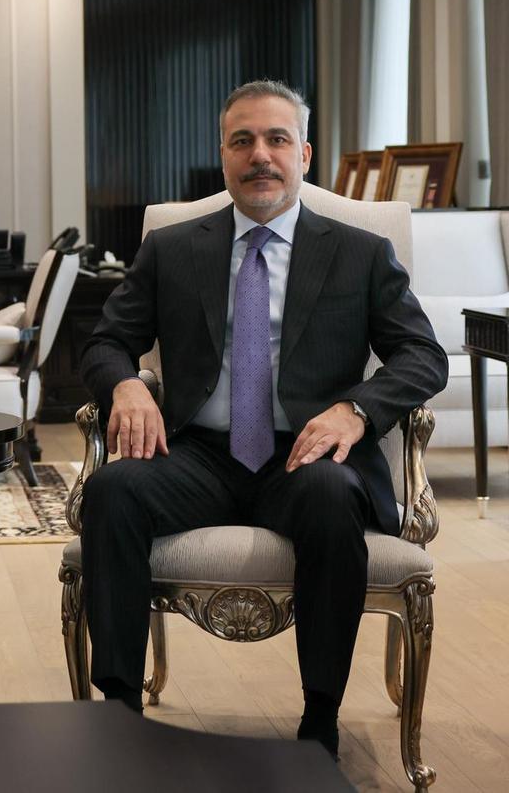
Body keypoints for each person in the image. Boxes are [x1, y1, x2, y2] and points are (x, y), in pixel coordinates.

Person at [78, 80, 447, 757]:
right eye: (242, 140)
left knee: (333, 499)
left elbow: (423, 355)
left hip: (308, 455)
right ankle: (120, 714)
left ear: (303, 153)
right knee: (111, 490)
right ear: (222, 156)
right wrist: (127, 385)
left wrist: (356, 411)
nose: (261, 155)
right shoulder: (173, 247)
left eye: (277, 139)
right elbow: (104, 342)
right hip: (197, 451)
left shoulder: (360, 253)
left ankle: (320, 719)